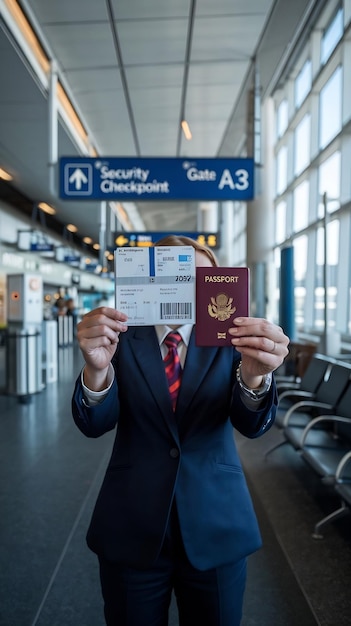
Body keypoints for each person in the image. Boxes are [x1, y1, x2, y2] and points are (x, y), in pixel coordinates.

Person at [71, 235, 289, 626]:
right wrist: (97, 371)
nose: (189, 286)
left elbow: (252, 424)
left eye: (200, 277)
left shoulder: (233, 340)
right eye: (178, 275)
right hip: (132, 521)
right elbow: (94, 424)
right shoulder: (118, 337)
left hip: (216, 521)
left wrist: (255, 381)